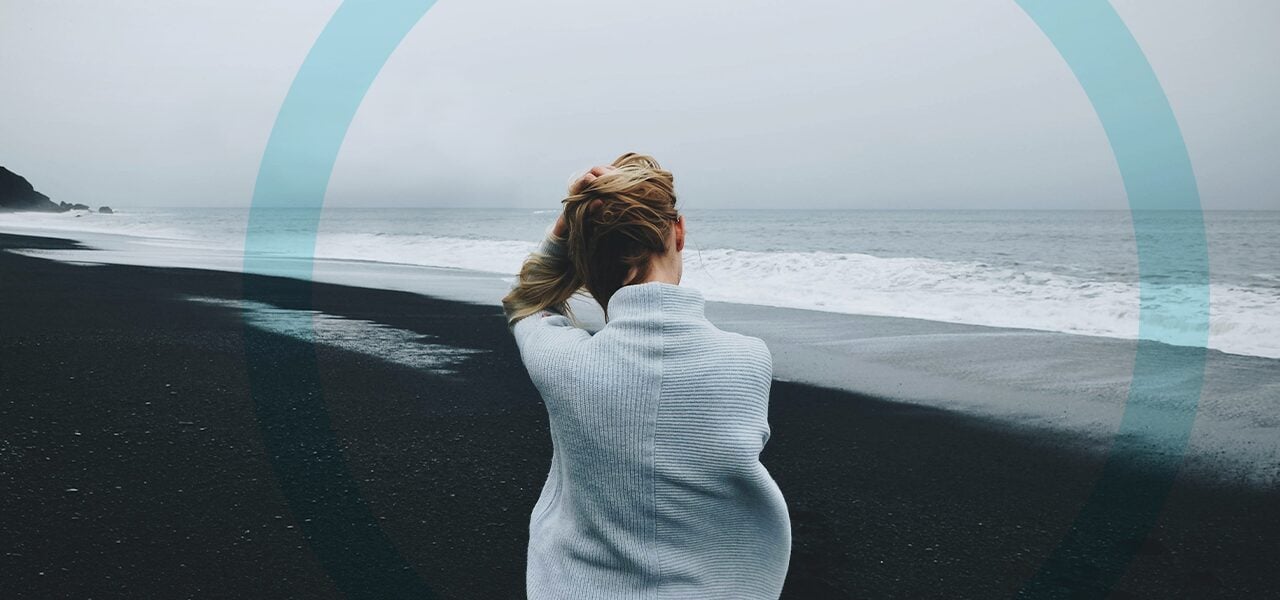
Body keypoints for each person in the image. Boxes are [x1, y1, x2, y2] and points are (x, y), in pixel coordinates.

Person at [502, 152, 792, 599]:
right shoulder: (747, 360)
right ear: (678, 230)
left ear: (590, 253)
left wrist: (564, 230)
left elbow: (526, 301)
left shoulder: (562, 361)